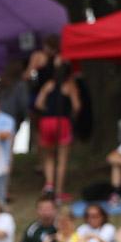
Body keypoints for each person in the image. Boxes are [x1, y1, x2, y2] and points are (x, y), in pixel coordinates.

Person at [34, 59, 81, 201]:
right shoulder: (70, 86)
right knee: (62, 158)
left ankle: (49, 184)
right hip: (62, 122)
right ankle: (59, 192)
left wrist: (47, 110)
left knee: (50, 155)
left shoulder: (48, 85)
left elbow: (38, 104)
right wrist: (71, 115)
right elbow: (77, 106)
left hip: (46, 122)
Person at [0, 59, 30, 177]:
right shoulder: (20, 85)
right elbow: (23, 104)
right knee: (7, 154)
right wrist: (24, 118)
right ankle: (4, 184)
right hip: (12, 120)